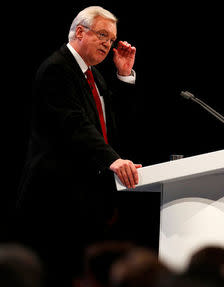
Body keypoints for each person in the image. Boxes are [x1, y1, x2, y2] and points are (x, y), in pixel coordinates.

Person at [15, 6, 141, 286]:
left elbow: (113, 126)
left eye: (112, 39)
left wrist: (123, 75)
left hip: (87, 201)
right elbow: (74, 125)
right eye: (102, 35)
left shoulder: (94, 76)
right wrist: (113, 160)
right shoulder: (57, 69)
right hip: (56, 202)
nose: (108, 44)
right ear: (80, 32)